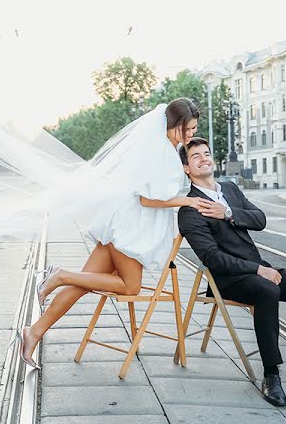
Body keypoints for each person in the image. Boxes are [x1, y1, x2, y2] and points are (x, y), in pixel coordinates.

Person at [17, 99, 211, 369]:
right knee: (130, 286)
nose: (191, 134)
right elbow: (146, 199)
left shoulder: (161, 148)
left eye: (194, 128)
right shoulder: (163, 153)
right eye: (188, 128)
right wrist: (186, 201)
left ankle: (33, 332)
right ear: (174, 125)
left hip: (120, 225)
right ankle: (60, 275)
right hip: (132, 230)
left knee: (82, 286)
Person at [176, 137, 286, 406]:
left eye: (206, 153)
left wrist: (229, 213)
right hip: (229, 280)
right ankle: (271, 374)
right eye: (195, 156)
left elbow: (260, 220)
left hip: (259, 271)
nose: (204, 158)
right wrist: (257, 269)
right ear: (187, 168)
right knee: (268, 290)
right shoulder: (190, 208)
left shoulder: (230, 191)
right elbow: (212, 258)